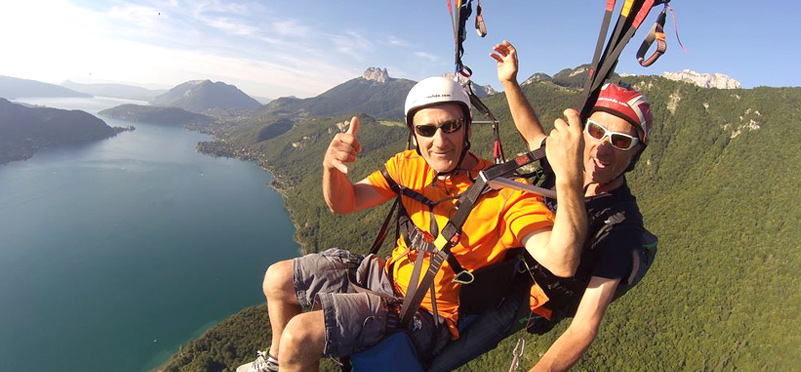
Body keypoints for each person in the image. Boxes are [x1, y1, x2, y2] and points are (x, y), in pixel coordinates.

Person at [237, 76, 589, 372]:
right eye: (427, 129)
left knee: (300, 335)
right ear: (414, 133)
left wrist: (569, 179)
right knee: (277, 279)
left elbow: (562, 261)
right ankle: (273, 362)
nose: (440, 140)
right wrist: (330, 168)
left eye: (451, 126)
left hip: (425, 315)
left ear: (467, 127)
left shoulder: (504, 195)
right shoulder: (409, 166)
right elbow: (343, 203)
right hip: (385, 275)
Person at [427, 41, 655, 372]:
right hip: (503, 256)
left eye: (620, 141)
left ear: (635, 153)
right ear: (583, 132)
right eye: (596, 131)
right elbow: (533, 135)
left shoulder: (621, 230)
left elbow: (584, 326)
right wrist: (509, 81)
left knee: (439, 362)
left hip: (526, 294)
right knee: (420, 313)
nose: (602, 149)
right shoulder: (566, 160)